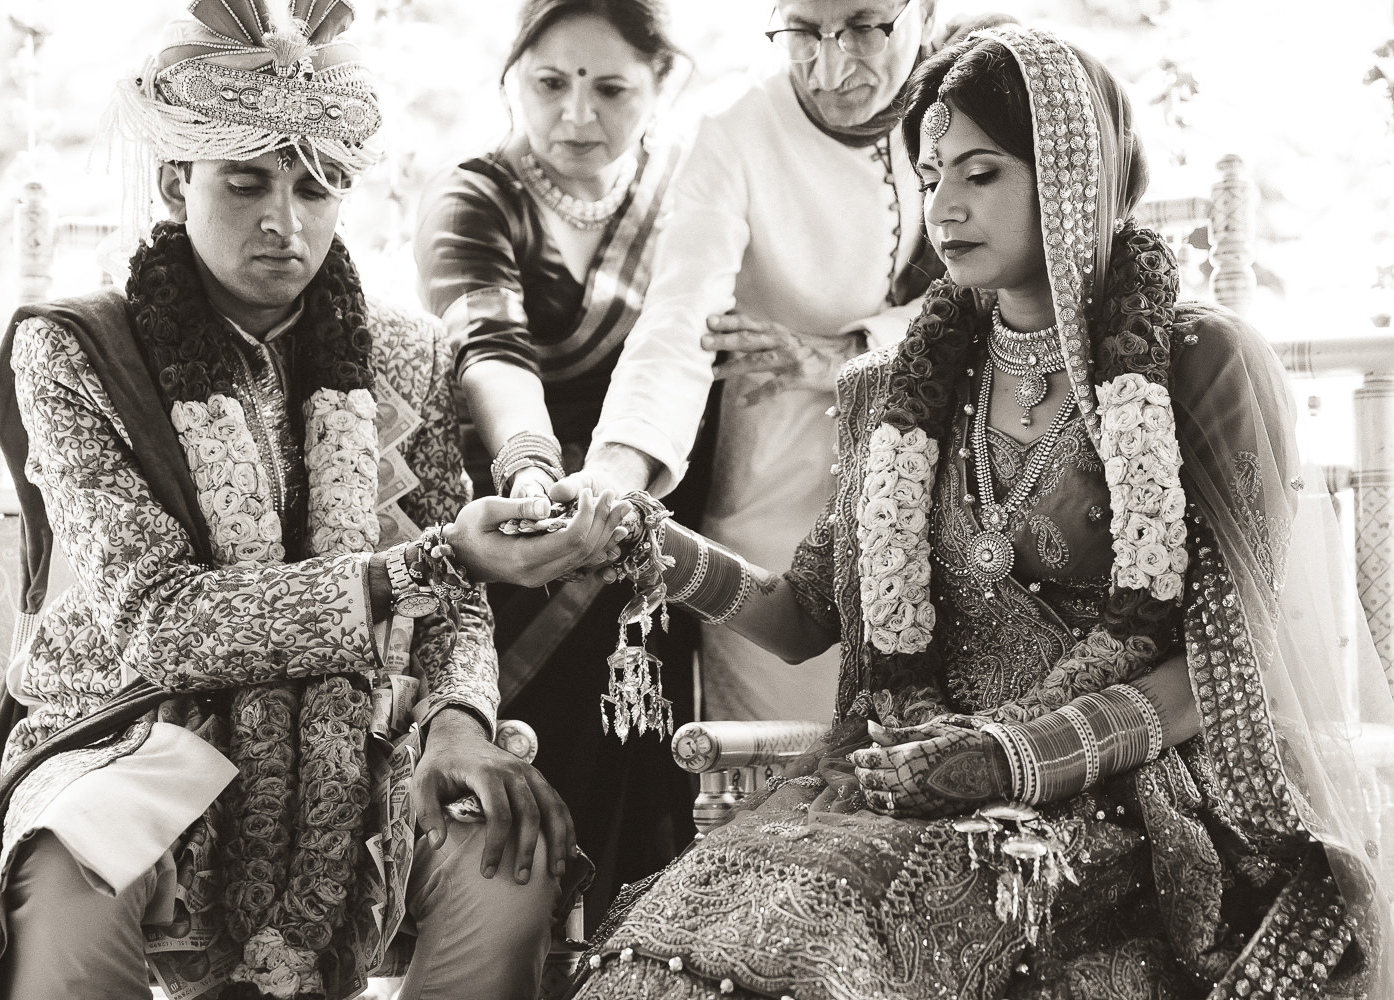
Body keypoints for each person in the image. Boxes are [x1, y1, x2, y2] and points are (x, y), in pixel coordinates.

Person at [566, 25, 1394, 999]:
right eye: (928, 176)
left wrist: (1012, 758)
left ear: (1072, 171)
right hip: (917, 776)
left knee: (835, 933)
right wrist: (659, 551)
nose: (944, 206)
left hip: (1123, 795)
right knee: (678, 928)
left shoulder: (1196, 362)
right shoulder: (898, 388)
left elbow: (1231, 662)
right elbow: (799, 618)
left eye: (982, 173)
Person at [0, 4, 632, 999]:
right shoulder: (79, 353)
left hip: (360, 731)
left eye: (316, 187)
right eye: (247, 181)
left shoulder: (406, 353)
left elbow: (459, 610)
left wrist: (455, 718)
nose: (284, 220)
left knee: (506, 856)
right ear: (179, 181)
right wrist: (426, 564)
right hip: (133, 728)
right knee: (70, 880)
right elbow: (157, 621)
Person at [558, 0, 991, 725]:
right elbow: (678, 324)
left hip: (960, 505)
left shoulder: (977, 99)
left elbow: (1018, 279)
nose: (830, 68)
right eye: (801, 31)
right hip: (777, 510)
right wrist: (613, 480)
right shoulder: (735, 134)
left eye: (863, 26)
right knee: (778, 784)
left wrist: (852, 353)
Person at [412, 0, 697, 928]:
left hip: (643, 542)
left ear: (661, 87)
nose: (577, 116)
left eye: (610, 88)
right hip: (517, 535)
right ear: (512, 79)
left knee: (643, 789)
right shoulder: (473, 197)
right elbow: (490, 349)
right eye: (550, 83)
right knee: (522, 812)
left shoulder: (687, 201)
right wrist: (532, 468)